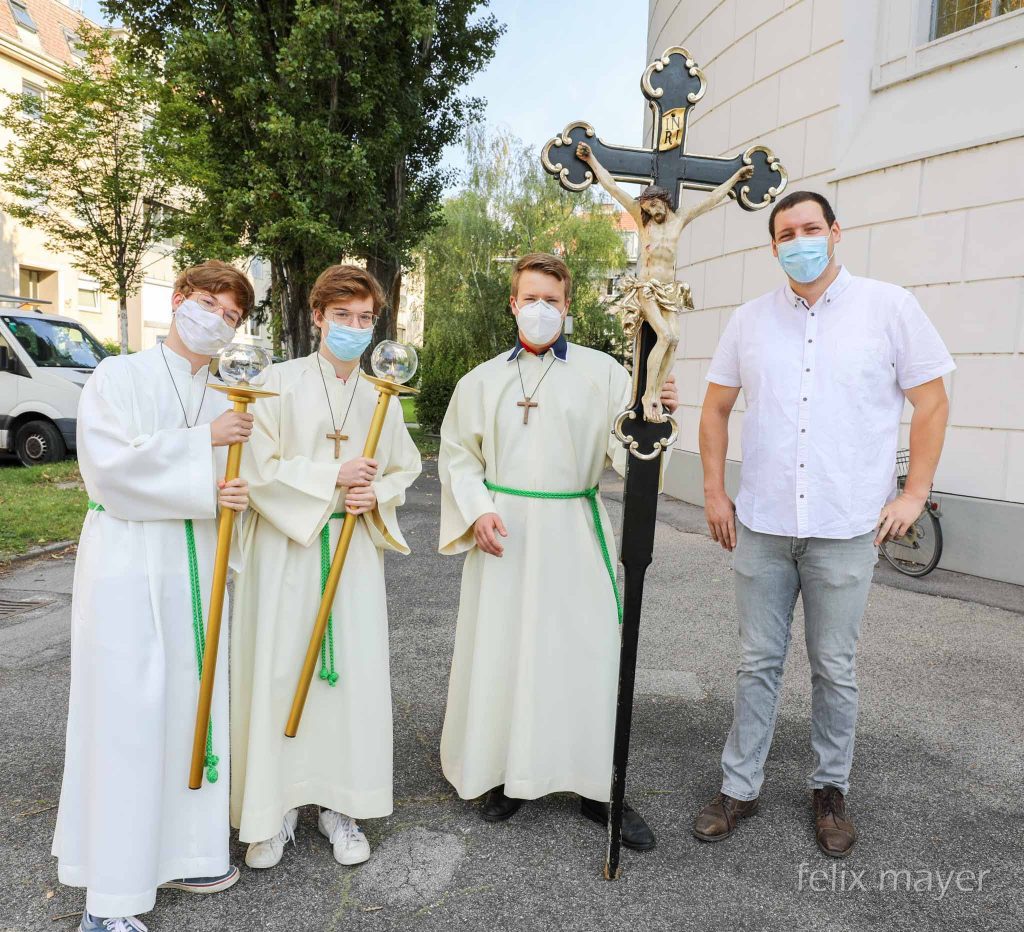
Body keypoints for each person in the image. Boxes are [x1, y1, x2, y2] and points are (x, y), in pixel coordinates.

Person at [694, 190, 954, 857]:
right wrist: (715, 492)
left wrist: (914, 492)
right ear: (773, 247)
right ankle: (739, 787)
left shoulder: (889, 308)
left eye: (812, 228)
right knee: (757, 662)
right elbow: (716, 407)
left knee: (834, 666)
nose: (800, 240)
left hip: (845, 526)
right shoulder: (750, 322)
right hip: (764, 524)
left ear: (836, 233)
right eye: (787, 233)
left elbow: (931, 402)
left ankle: (829, 789)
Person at [438, 252, 678, 851]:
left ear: (567, 307)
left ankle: (599, 789)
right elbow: (459, 457)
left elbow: (635, 461)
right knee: (507, 652)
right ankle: (509, 774)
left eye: (553, 299)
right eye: (531, 298)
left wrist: (656, 414)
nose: (541, 308)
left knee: (585, 655)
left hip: (575, 526)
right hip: (503, 534)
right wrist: (477, 510)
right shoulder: (482, 380)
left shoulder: (605, 375)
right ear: (513, 303)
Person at [52, 261, 255, 932]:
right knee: (128, 723)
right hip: (129, 567)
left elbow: (230, 480)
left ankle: (189, 850)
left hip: (193, 567)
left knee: (187, 708)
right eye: (207, 304)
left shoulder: (226, 393)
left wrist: (231, 491)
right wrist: (204, 447)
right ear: (177, 301)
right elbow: (109, 469)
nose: (216, 320)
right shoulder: (119, 375)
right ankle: (110, 901)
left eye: (230, 315)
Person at [231, 264, 421, 870]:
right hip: (288, 550)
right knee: (282, 669)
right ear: (317, 317)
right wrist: (328, 478)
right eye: (342, 316)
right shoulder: (275, 383)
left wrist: (376, 498)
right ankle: (274, 808)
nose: (354, 328)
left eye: (365, 319)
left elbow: (402, 469)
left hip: (351, 552)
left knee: (350, 680)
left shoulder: (380, 395)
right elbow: (256, 468)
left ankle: (342, 806)